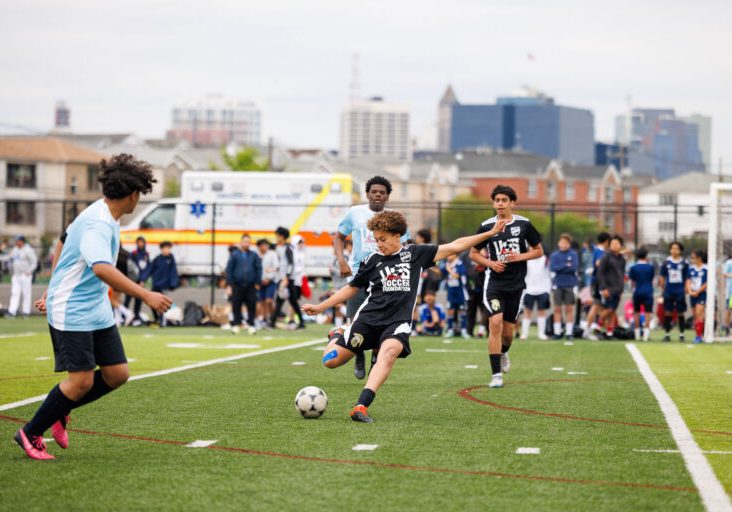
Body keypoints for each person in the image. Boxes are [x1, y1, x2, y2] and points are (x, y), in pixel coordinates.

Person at [15, 153, 171, 460]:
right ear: (132, 194)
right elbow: (101, 268)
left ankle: (61, 409)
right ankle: (30, 433)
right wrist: (146, 295)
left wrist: (52, 285)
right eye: (139, 195)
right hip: (72, 309)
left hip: (96, 307)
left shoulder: (102, 212)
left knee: (117, 374)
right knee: (81, 381)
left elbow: (63, 241)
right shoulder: (99, 223)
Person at [302, 210, 507, 422]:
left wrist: (490, 232)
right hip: (368, 320)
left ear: (397, 236)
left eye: (383, 239)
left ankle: (361, 406)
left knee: (389, 352)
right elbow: (352, 288)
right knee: (330, 361)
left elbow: (456, 245)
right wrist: (320, 307)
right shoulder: (371, 260)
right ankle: (338, 333)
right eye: (375, 239)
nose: (378, 244)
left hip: (397, 323)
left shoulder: (416, 254)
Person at [333, 176, 408, 379]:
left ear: (387, 196)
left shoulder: (394, 218)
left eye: (382, 192)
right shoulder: (355, 213)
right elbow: (339, 236)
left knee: (380, 322)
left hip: (384, 279)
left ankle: (376, 358)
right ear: (367, 194)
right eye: (374, 191)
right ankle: (358, 355)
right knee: (354, 321)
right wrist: (341, 260)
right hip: (358, 275)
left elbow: (405, 247)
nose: (377, 195)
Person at [469, 185, 543, 389]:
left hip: (517, 285)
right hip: (494, 284)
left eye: (504, 200)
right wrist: (491, 263)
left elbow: (538, 251)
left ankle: (503, 352)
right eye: (497, 200)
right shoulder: (486, 226)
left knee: (508, 332)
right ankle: (496, 375)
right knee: (495, 323)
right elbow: (473, 253)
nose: (500, 204)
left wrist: (519, 256)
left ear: (512, 203)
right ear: (493, 203)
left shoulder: (524, 225)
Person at [226, 234, 262, 334]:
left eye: (249, 242)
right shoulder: (235, 255)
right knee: (236, 305)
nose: (247, 244)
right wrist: (229, 284)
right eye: (245, 241)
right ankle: (236, 324)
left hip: (250, 285)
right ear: (241, 242)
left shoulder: (253, 255)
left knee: (251, 304)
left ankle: (251, 324)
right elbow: (229, 269)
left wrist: (257, 282)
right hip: (237, 284)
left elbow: (258, 268)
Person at [271, 226, 305, 330]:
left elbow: (291, 264)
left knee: (290, 301)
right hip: (282, 278)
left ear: (282, 236)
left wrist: (286, 277)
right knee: (283, 300)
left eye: (278, 235)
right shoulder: (277, 247)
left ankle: (272, 322)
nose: (276, 237)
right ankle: (272, 322)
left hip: (288, 279)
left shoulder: (288, 248)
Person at [141, 241, 180, 327]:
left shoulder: (171, 259)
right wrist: (143, 280)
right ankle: (157, 318)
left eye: (168, 248)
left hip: (164, 286)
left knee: (162, 304)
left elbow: (174, 272)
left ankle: (162, 320)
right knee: (152, 303)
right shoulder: (157, 259)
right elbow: (149, 270)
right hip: (156, 285)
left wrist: (173, 284)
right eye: (165, 248)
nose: (167, 250)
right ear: (161, 249)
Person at [549, 233, 579, 340]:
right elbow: (553, 268)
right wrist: (565, 265)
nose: (563, 245)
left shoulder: (574, 254)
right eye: (562, 242)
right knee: (557, 309)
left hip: (570, 284)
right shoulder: (554, 255)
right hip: (557, 284)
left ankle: (569, 333)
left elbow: (573, 268)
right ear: (559, 243)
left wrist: (562, 267)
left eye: (566, 243)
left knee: (569, 309)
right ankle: (557, 332)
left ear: (569, 244)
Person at [596, 235, 626, 338]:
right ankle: (597, 326)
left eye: (617, 243)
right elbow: (600, 273)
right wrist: (603, 288)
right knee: (609, 309)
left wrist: (622, 289)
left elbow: (622, 274)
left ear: (621, 245)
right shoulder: (606, 256)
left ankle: (609, 331)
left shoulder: (621, 259)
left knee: (613, 311)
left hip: (618, 288)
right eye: (612, 243)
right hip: (608, 288)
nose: (614, 245)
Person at [658, 241, 689, 342]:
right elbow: (662, 277)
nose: (674, 250)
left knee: (680, 312)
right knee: (668, 312)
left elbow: (687, 277)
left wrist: (686, 288)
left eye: (676, 248)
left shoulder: (684, 263)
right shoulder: (666, 263)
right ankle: (667, 334)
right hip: (669, 291)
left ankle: (681, 334)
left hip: (680, 291)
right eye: (672, 248)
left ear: (680, 250)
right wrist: (662, 289)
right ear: (670, 250)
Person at [583, 232, 610, 339]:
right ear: (607, 241)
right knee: (595, 306)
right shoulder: (600, 251)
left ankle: (598, 330)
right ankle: (588, 331)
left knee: (600, 307)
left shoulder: (597, 250)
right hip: (599, 282)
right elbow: (598, 263)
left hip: (598, 281)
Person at [521, 253, 552, 340]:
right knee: (527, 311)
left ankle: (541, 334)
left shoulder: (545, 259)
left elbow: (549, 274)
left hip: (543, 290)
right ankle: (524, 334)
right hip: (529, 290)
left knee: (542, 311)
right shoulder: (526, 258)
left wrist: (547, 290)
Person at [7, 235, 37, 318]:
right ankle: (12, 311)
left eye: (18, 241)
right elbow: (10, 258)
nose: (16, 242)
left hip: (25, 275)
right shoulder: (15, 249)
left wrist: (29, 271)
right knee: (14, 293)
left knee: (26, 294)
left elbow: (34, 263)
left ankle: (26, 312)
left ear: (22, 241)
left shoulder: (28, 250)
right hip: (16, 275)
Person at [628, 247, 655, 341]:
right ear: (646, 256)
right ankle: (646, 336)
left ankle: (637, 335)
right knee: (647, 313)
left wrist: (633, 290)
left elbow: (632, 281)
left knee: (636, 313)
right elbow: (651, 279)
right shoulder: (650, 267)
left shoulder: (633, 268)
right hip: (648, 291)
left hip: (637, 291)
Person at [441, 252, 469, 338]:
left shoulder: (459, 264)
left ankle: (463, 330)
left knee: (462, 311)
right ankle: (450, 330)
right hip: (451, 291)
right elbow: (441, 273)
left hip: (460, 291)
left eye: (450, 255)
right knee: (450, 310)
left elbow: (457, 276)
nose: (448, 257)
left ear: (455, 255)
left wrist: (449, 269)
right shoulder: (447, 264)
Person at [125, 236, 150, 325]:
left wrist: (143, 280)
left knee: (139, 300)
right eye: (138, 242)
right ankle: (124, 317)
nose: (140, 244)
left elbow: (147, 269)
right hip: (132, 281)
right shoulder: (133, 253)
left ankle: (136, 317)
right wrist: (132, 279)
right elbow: (130, 268)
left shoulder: (146, 254)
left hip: (141, 282)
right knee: (128, 299)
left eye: (142, 242)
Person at [256, 239, 279, 329]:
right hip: (260, 282)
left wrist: (269, 278)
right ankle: (264, 319)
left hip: (271, 281)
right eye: (262, 245)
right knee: (262, 302)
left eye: (265, 245)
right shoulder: (257, 255)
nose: (264, 247)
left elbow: (276, 267)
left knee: (269, 301)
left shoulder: (272, 254)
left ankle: (272, 318)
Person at [687, 249, 708, 344]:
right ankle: (698, 334)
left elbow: (707, 283)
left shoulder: (706, 269)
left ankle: (699, 336)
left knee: (700, 314)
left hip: (701, 294)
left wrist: (698, 291)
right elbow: (688, 281)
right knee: (695, 315)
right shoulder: (691, 269)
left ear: (699, 259)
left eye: (693, 258)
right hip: (692, 294)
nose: (692, 260)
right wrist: (690, 291)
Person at [723, 253, 732, 336]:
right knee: (729, 310)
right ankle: (727, 330)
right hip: (730, 291)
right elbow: (724, 274)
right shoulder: (729, 262)